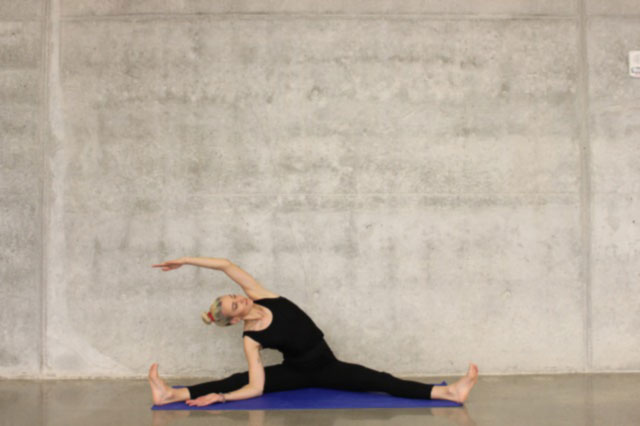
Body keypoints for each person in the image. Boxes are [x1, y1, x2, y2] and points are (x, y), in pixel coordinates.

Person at [148, 257, 479, 407]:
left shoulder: (261, 295)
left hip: (326, 364)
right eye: (235, 304)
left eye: (234, 295)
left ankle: (448, 394)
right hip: (302, 372)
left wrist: (185, 261)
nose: (240, 298)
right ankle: (171, 395)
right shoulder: (251, 338)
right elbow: (255, 387)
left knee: (380, 380)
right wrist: (222, 397)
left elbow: (225, 264)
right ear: (235, 320)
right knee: (236, 380)